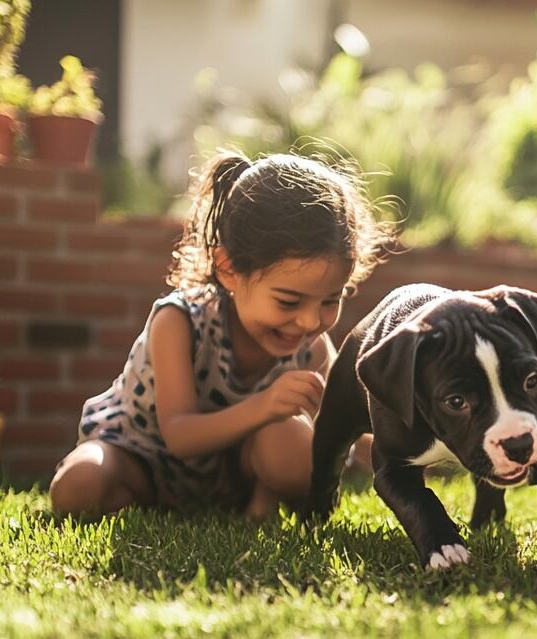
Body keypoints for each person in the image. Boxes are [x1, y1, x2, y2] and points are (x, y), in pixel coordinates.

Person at [50, 150, 390, 519]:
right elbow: (179, 436)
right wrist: (265, 405)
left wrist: (385, 445)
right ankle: (146, 504)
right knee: (78, 485)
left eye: (330, 300)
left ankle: (262, 502)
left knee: (291, 439)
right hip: (144, 458)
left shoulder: (311, 351)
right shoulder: (179, 322)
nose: (310, 322)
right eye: (289, 301)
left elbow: (333, 433)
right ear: (228, 269)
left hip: (238, 473)